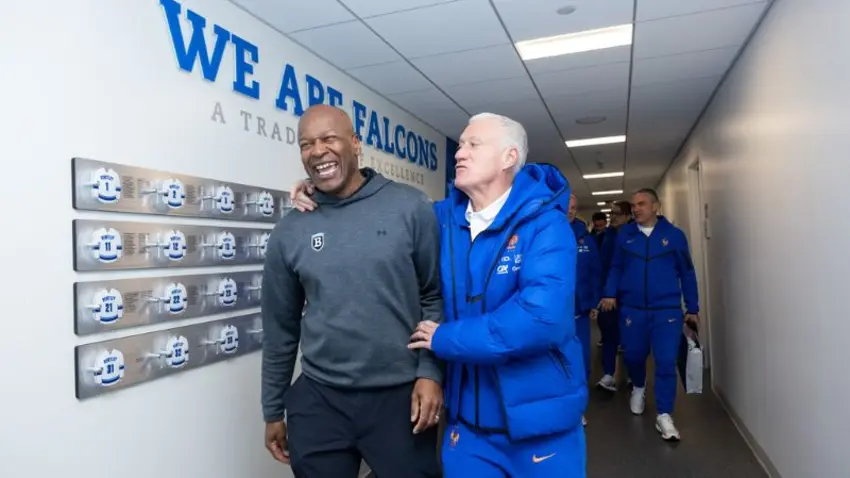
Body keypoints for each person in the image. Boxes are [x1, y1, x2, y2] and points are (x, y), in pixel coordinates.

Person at [292, 113, 588, 477]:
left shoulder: (546, 224)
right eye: (460, 144)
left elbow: (540, 319)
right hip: (468, 427)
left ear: (509, 157)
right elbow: (375, 211)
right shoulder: (441, 218)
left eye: (473, 144)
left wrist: (444, 338)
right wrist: (321, 189)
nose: (460, 153)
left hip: (540, 425)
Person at [261, 104, 444, 478]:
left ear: (356, 144)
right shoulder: (291, 230)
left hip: (400, 396)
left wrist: (430, 373)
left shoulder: (410, 207)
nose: (318, 150)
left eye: (329, 138)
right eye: (307, 144)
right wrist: (273, 409)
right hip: (320, 399)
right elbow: (280, 328)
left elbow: (434, 295)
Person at [599, 188, 699, 441]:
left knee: (665, 361)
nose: (636, 209)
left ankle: (664, 414)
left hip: (667, 311)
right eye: (634, 205)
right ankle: (639, 385)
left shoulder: (674, 236)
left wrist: (693, 308)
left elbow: (687, 272)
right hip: (632, 310)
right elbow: (616, 267)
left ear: (656, 206)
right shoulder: (625, 235)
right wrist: (610, 293)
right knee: (633, 355)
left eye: (642, 204)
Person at [568, 194, 602, 425]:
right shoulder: (545, 232)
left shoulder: (585, 238)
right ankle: (564, 406)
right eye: (566, 206)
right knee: (556, 362)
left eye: (573, 207)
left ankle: (578, 407)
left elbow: (595, 273)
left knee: (581, 359)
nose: (569, 210)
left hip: (579, 311)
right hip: (554, 313)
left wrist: (594, 302)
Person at [595, 200, 632, 392]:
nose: (613, 217)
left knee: (631, 338)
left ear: (627, 216)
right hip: (607, 296)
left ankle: (634, 376)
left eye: (617, 213)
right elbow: (599, 266)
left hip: (629, 296)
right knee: (609, 336)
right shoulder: (605, 236)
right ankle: (609, 374)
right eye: (612, 213)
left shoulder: (635, 235)